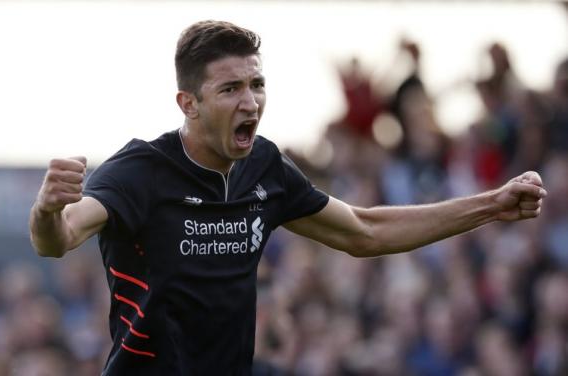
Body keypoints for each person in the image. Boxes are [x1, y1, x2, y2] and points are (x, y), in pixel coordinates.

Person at [29, 20, 547, 375]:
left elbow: (366, 231)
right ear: (188, 103)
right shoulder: (140, 171)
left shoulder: (265, 167)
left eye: (257, 84)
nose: (250, 100)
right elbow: (60, 238)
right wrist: (47, 209)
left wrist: (492, 205)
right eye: (230, 89)